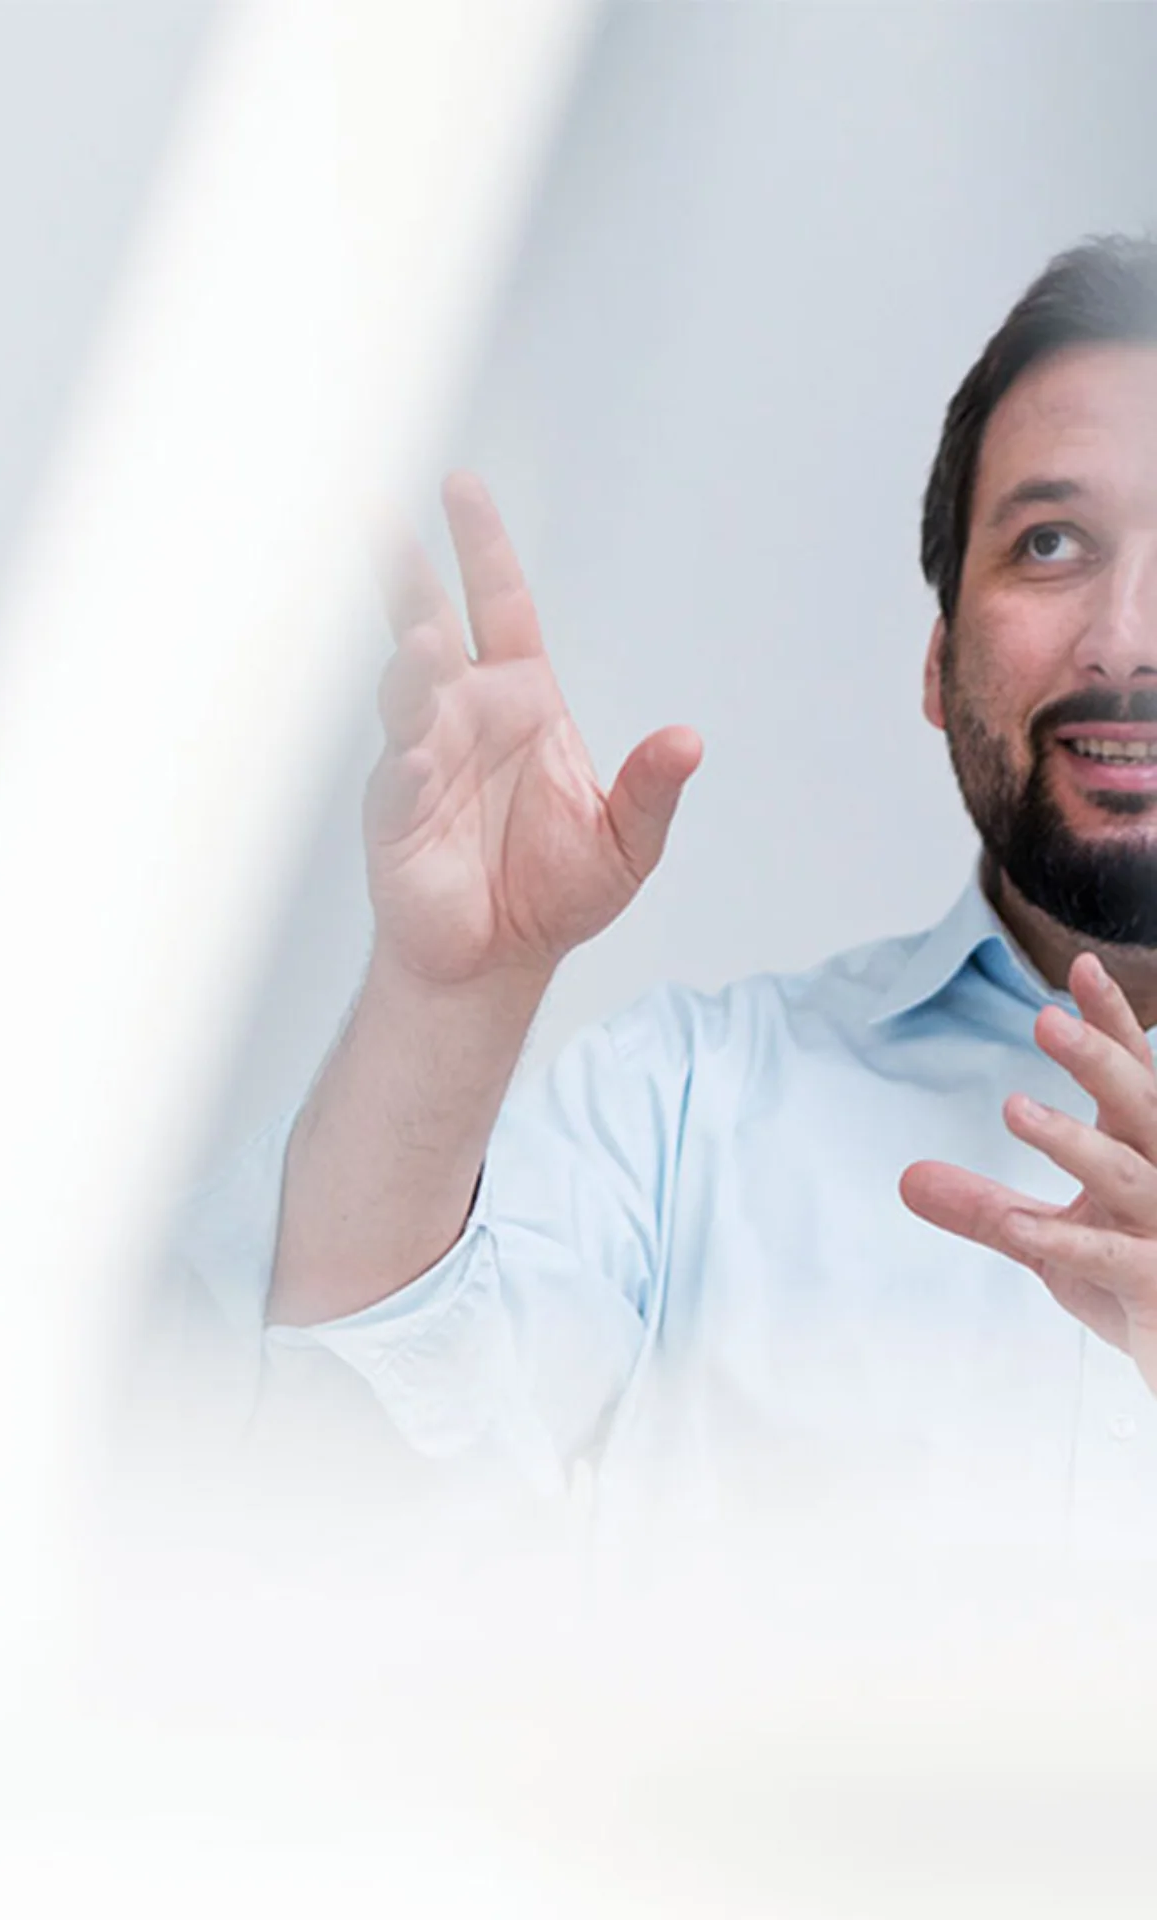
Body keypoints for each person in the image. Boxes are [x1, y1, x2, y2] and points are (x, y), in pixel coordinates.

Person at [174, 234, 1157, 1555]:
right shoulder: (686, 1108)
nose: (1124, 638)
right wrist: (446, 1001)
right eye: (1050, 543)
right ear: (939, 666)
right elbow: (328, 1505)